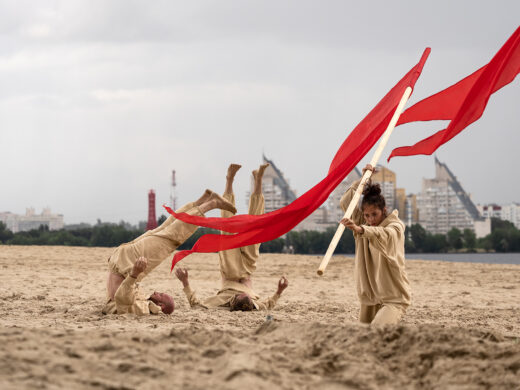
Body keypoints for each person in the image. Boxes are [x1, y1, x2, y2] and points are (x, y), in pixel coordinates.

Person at [102, 189, 237, 315]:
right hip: (121, 260)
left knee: (171, 236)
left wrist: (134, 274)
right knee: (165, 230)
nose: (156, 291)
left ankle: (210, 204)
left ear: (161, 305)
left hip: (126, 262)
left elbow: (121, 299)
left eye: (160, 295)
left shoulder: (145, 308)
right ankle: (201, 202)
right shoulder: (140, 305)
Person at [175, 163, 289, 311]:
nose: (243, 296)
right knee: (255, 227)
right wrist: (279, 291)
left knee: (227, 227)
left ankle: (229, 179)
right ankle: (258, 180)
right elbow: (268, 305)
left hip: (231, 271)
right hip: (248, 268)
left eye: (241, 298)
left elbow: (196, 304)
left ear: (233, 301)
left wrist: (185, 283)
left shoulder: (221, 300)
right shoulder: (255, 304)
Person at [339, 164, 411, 326]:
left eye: (375, 214)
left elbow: (385, 234)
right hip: (370, 297)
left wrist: (361, 229)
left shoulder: (395, 226)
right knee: (365, 338)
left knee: (376, 330)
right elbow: (346, 203)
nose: (371, 219)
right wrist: (363, 181)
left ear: (384, 210)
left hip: (393, 297)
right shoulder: (363, 223)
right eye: (367, 215)